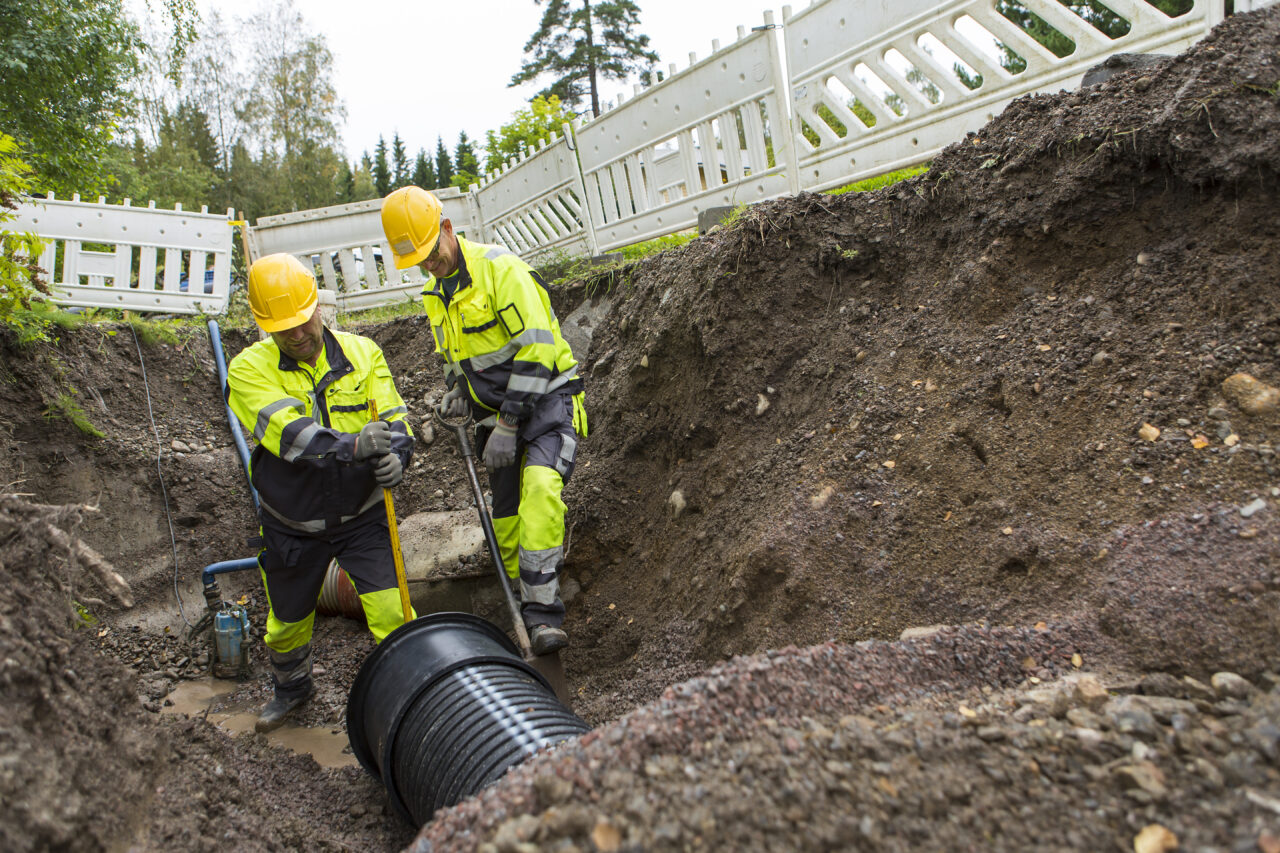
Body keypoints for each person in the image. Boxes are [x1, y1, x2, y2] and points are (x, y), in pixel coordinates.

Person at [380, 186, 586, 656]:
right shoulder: (436, 294)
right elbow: (457, 357)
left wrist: (510, 425)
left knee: (538, 494)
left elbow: (539, 351)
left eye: (432, 253)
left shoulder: (501, 271)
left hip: (547, 405)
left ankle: (543, 618)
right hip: (495, 418)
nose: (429, 265)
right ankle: (519, 603)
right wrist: (457, 391)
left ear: (448, 229)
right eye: (419, 261)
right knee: (507, 519)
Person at [227, 252, 416, 732]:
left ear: (317, 307)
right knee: (286, 625)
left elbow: (394, 417)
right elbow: (291, 436)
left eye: (302, 321)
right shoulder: (248, 369)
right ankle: (293, 689)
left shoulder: (363, 353)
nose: (295, 334)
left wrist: (398, 454)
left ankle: (413, 696)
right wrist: (355, 444)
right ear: (263, 326)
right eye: (281, 328)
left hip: (363, 516)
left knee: (394, 612)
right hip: (293, 524)